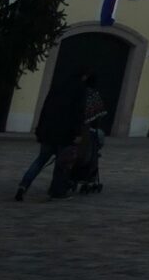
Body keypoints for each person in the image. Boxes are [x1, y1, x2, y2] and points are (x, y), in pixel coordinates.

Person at [14, 70, 94, 201]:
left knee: (39, 161)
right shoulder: (80, 90)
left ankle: (23, 185)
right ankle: (56, 191)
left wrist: (40, 129)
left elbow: (45, 109)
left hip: (49, 131)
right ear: (83, 77)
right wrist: (78, 133)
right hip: (66, 133)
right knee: (61, 164)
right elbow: (78, 113)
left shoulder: (57, 87)